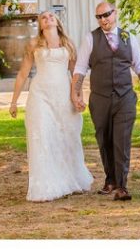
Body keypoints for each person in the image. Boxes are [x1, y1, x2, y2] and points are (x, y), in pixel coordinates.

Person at [71, 2, 140, 201]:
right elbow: (80, 69)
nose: (103, 19)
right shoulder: (90, 39)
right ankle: (110, 180)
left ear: (115, 13)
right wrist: (75, 94)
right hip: (99, 98)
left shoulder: (129, 38)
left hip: (125, 97)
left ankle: (121, 186)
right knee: (104, 140)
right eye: (99, 17)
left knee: (122, 141)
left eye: (106, 15)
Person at [9, 11, 94, 202]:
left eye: (51, 16)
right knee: (42, 135)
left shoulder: (68, 43)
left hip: (63, 95)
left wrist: (79, 96)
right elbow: (23, 74)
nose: (48, 19)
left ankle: (68, 179)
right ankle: (45, 185)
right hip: (40, 95)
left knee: (66, 135)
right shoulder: (34, 45)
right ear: (40, 25)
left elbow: (76, 73)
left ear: (57, 22)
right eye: (43, 18)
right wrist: (14, 101)